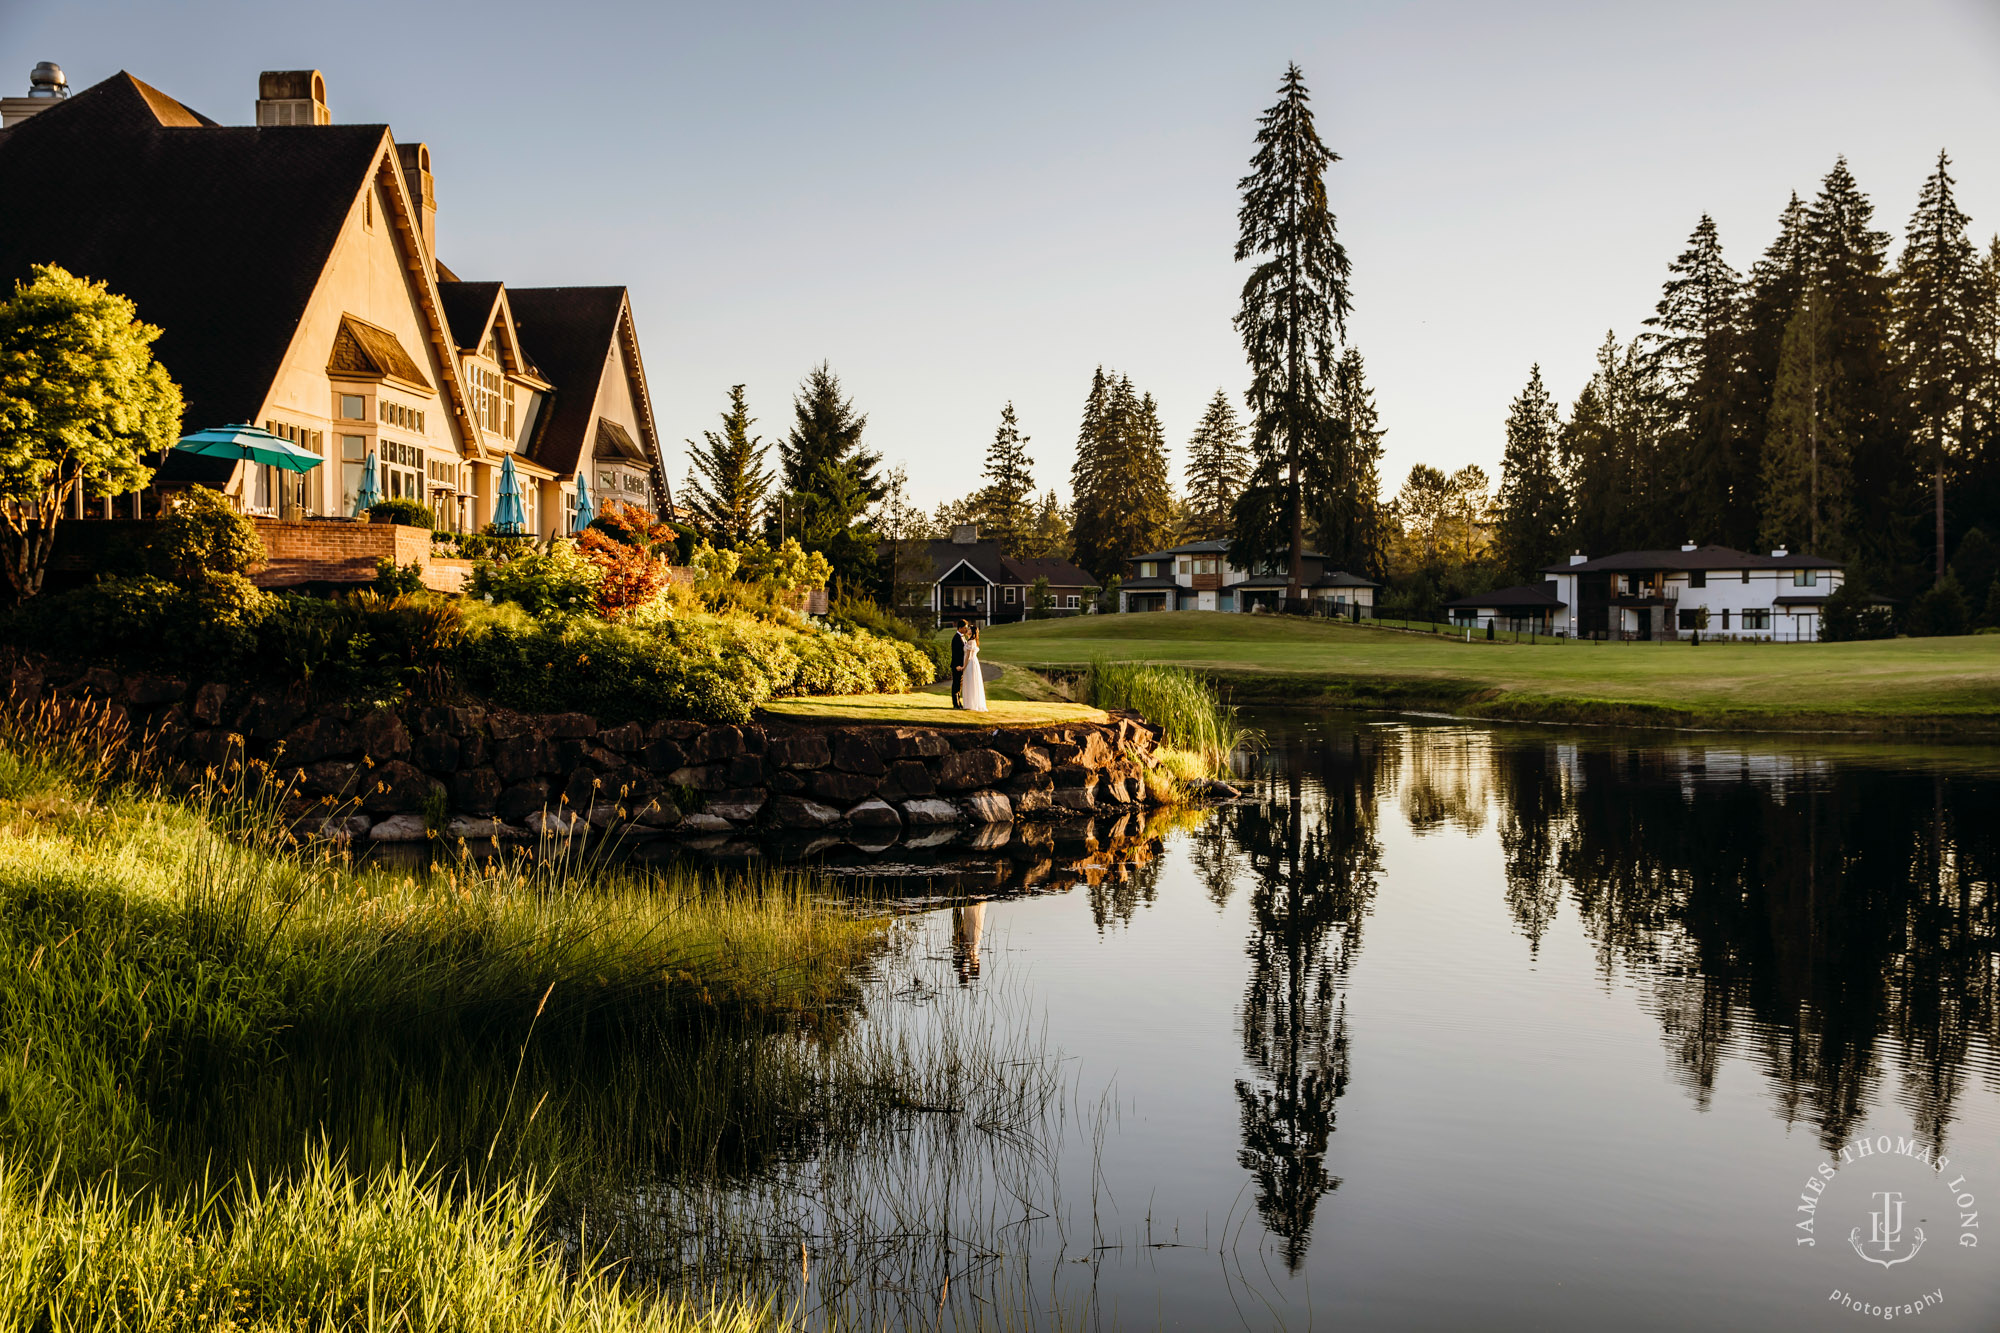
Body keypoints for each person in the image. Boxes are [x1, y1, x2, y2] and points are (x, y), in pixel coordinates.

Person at [960, 623, 988, 712]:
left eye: (969, 629)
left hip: (970, 663)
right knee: (971, 681)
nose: (967, 630)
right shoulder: (972, 641)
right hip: (973, 662)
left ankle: (971, 704)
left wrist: (964, 666)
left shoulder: (971, 641)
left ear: (971, 632)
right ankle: (971, 703)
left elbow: (968, 655)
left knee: (970, 681)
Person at [950, 620, 969, 707]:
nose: (966, 629)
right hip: (957, 665)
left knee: (959, 685)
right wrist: (957, 665)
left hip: (961, 665)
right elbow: (955, 653)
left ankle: (958, 702)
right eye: (965, 628)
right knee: (956, 684)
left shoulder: (963, 637)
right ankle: (955, 703)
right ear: (960, 628)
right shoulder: (956, 638)